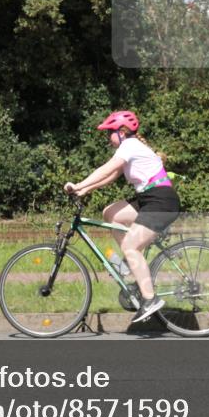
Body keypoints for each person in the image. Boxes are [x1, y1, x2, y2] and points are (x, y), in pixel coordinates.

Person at [63, 110, 181, 323]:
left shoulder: (130, 146)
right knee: (110, 213)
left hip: (160, 201)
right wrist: (84, 190)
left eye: (110, 132)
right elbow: (111, 176)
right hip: (149, 198)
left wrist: (78, 184)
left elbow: (106, 168)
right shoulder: (131, 147)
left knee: (130, 246)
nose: (108, 137)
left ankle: (150, 299)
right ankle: (128, 264)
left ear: (122, 131)